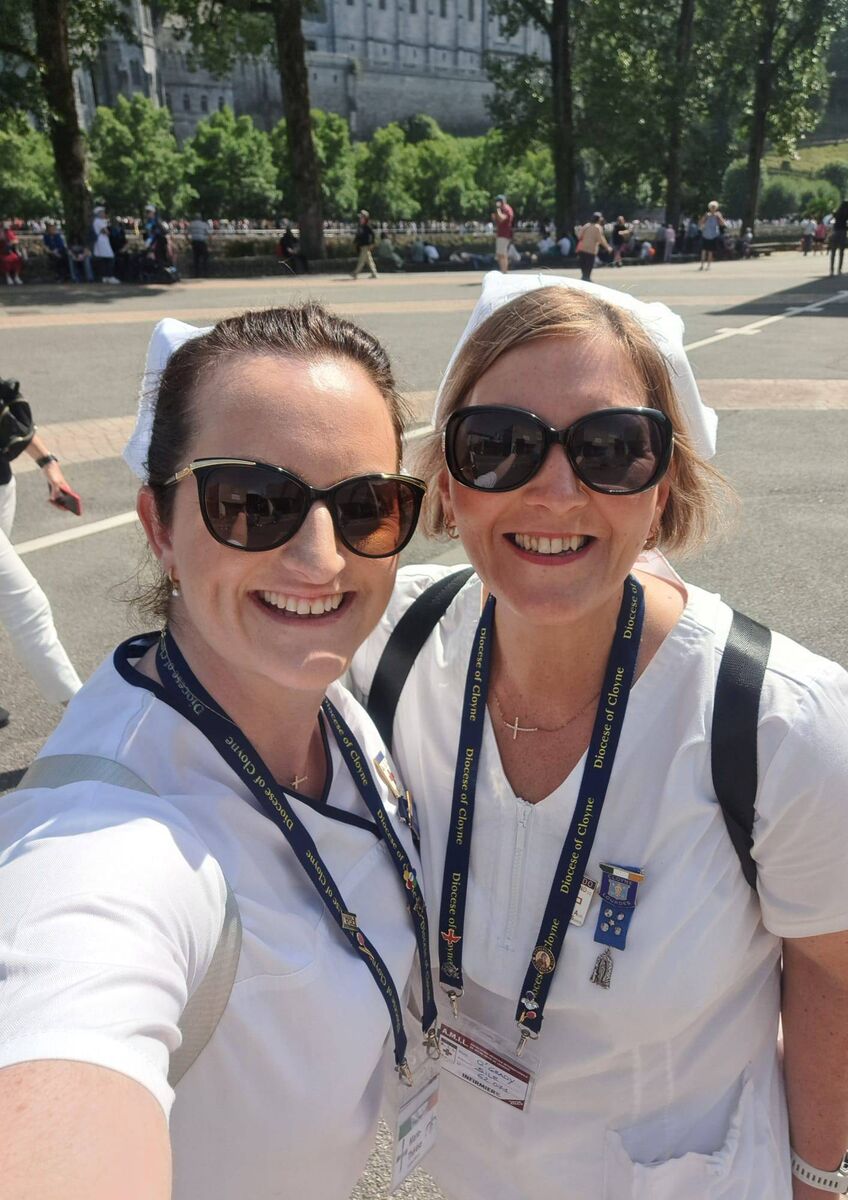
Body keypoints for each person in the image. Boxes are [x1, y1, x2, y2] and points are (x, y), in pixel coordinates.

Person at [349, 270, 848, 1200]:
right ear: (448, 480)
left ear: (666, 479)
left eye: (611, 448)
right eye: (499, 446)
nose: (556, 492)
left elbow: (842, 975)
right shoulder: (388, 655)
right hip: (464, 1174)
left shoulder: (778, 725)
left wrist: (817, 1179)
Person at [0, 304, 437, 1200]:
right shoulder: (108, 840)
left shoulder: (315, 696)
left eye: (366, 507)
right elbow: (62, 1033)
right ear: (159, 527)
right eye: (253, 505)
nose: (322, 559)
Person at [0, 376, 82, 727]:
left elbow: (7, 413)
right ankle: (85, 713)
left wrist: (49, 463)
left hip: (3, 489)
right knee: (27, 605)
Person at [91, 206, 120, 284]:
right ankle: (110, 276)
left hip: (100, 242)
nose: (104, 214)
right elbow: (106, 232)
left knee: (103, 260)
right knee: (110, 258)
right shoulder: (99, 221)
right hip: (102, 242)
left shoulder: (95, 221)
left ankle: (105, 276)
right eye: (103, 212)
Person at [577, 212, 609, 282]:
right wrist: (607, 247)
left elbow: (579, 236)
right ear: (599, 219)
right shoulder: (598, 227)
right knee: (589, 266)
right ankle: (587, 279)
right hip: (591, 250)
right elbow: (600, 239)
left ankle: (584, 278)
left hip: (582, 249)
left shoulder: (586, 226)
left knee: (583, 265)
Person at [829, 199, 848, 276]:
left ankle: (831, 270)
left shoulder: (836, 212)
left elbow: (831, 221)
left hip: (835, 232)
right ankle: (839, 269)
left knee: (833, 252)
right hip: (843, 232)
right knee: (841, 252)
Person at [351, 209, 378, 279]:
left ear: (365, 218)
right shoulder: (360, 226)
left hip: (366, 245)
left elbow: (373, 234)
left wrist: (372, 243)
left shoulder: (367, 226)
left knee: (361, 260)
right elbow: (358, 236)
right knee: (369, 260)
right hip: (362, 246)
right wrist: (354, 243)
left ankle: (355, 273)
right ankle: (374, 273)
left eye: (362, 217)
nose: (360, 218)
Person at [699, 201, 725, 270]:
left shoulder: (718, 215)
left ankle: (708, 266)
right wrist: (705, 217)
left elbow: (722, 224)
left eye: (714, 207)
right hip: (705, 235)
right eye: (712, 207)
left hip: (713, 235)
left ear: (716, 208)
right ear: (709, 208)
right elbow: (701, 223)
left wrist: (719, 217)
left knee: (710, 252)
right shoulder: (707, 215)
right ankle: (702, 265)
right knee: (703, 251)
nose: (713, 208)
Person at [492, 195, 515, 274]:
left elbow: (502, 218)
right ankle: (503, 271)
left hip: (504, 234)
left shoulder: (506, 209)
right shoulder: (501, 209)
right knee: (500, 254)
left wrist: (498, 210)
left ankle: (504, 272)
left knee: (502, 254)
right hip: (501, 233)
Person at [188, 213, 210, 277]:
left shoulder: (191, 224)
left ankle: (196, 274)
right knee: (205, 257)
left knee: (196, 258)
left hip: (194, 242)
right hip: (202, 242)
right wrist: (210, 243)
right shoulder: (204, 224)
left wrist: (189, 241)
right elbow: (209, 234)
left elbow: (186, 234)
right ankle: (205, 273)